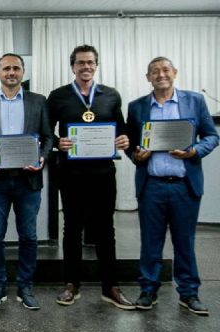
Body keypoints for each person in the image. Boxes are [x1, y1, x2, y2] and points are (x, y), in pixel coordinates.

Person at [126, 57, 218, 316]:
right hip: (152, 186)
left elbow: (212, 136)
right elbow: (130, 144)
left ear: (175, 73)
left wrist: (194, 152)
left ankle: (189, 293)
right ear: (148, 77)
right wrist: (136, 155)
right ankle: (148, 291)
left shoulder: (195, 101)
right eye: (154, 71)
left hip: (184, 186)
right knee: (150, 242)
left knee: (184, 242)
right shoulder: (137, 107)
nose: (161, 75)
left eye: (165, 70)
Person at [47, 44, 134, 310]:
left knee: (105, 229)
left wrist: (124, 139)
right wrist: (57, 142)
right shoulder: (58, 96)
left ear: (96, 65)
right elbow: (45, 131)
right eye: (80, 62)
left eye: (90, 62)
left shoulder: (111, 95)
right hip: (71, 173)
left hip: (103, 173)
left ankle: (111, 286)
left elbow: (122, 129)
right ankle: (71, 284)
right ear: (72, 66)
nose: (86, 67)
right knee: (71, 228)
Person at [0, 53, 53, 310]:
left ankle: (25, 287)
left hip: (28, 180)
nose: (11, 72)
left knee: (29, 236)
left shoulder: (39, 101)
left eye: (16, 68)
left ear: (23, 72)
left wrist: (42, 157)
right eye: (6, 68)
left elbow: (48, 137)